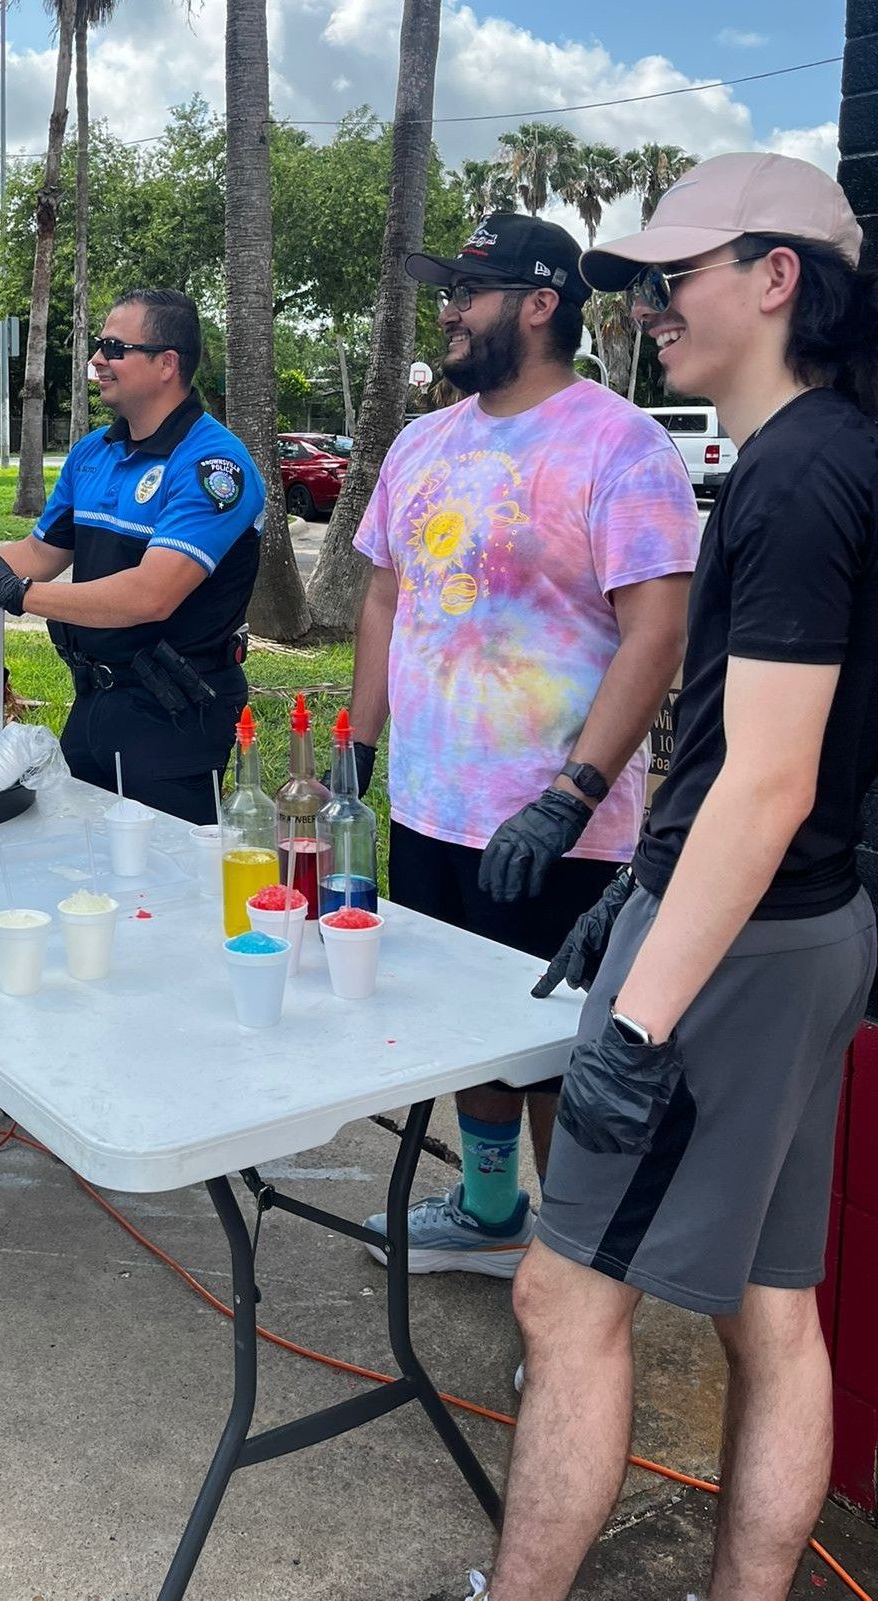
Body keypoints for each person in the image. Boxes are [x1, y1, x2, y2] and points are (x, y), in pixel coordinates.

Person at [478, 153, 878, 1601]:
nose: (650, 304)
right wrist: (634, 871)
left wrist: (642, 1015)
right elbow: (759, 760)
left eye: (677, 274)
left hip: (739, 950)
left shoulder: (792, 476)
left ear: (778, 279)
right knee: (773, 1311)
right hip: (808, 929)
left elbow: (768, 780)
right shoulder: (821, 454)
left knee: (561, 1295)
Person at [350, 214, 700, 1276]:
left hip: (559, 828)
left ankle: (573, 1274)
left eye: (471, 289)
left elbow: (658, 630)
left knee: (560, 1056)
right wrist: (358, 755)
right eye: (447, 288)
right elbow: (380, 597)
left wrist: (572, 793)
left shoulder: (619, 443)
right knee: (467, 1029)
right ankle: (493, 1209)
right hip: (428, 807)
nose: (448, 309)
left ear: (540, 304)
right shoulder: (423, 442)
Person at [0, 288, 263, 824]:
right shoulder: (92, 453)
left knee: (166, 888)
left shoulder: (213, 464)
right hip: (94, 700)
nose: (96, 361)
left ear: (166, 363)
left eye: (113, 347)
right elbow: (41, 550)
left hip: (174, 715)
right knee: (83, 868)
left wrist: (26, 597)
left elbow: (152, 595)